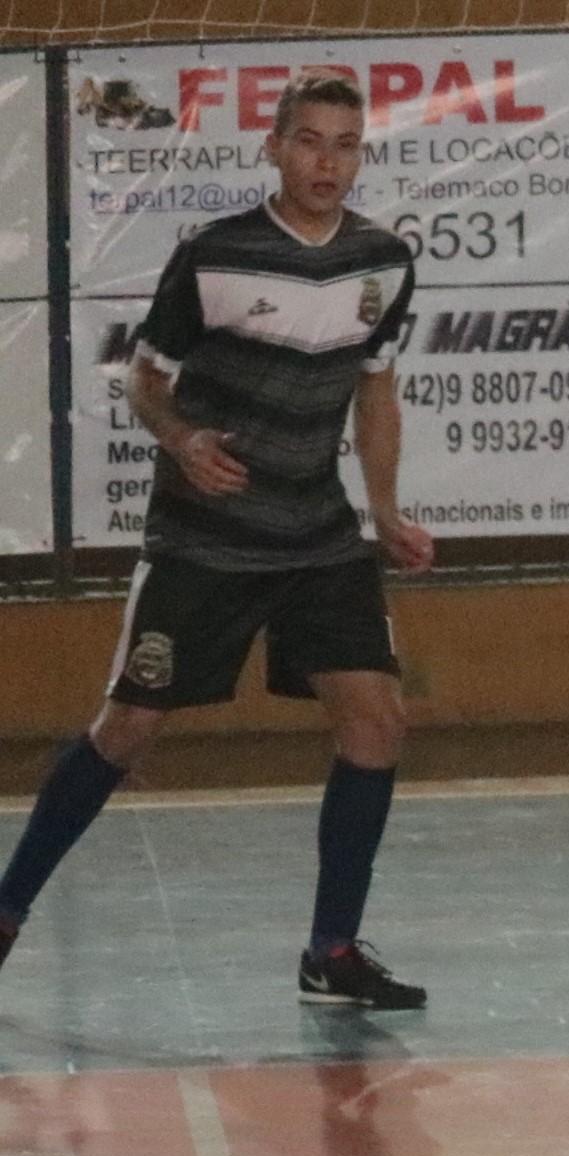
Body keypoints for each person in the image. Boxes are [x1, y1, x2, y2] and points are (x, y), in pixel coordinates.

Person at [0, 71, 434, 1007]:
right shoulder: (214, 255)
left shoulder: (386, 262)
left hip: (318, 536)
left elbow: (375, 386)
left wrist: (387, 509)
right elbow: (146, 380)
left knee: (377, 720)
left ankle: (332, 951)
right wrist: (183, 438)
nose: (329, 161)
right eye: (311, 141)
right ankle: (4, 911)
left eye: (347, 144)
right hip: (205, 541)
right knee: (126, 731)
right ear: (273, 149)